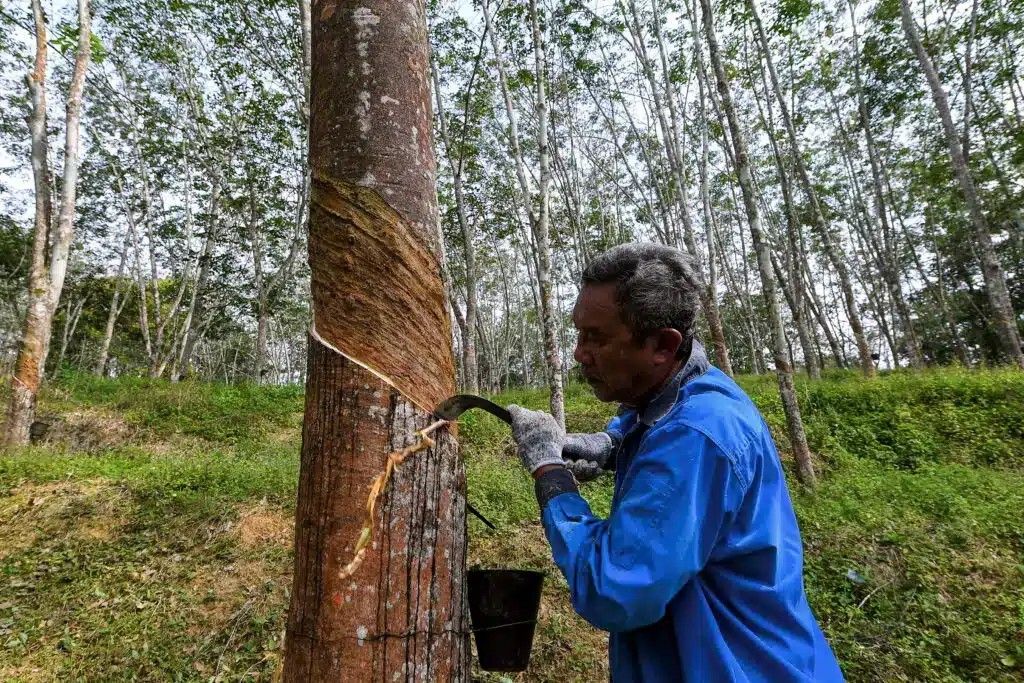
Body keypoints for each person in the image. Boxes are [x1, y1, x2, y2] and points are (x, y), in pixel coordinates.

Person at [506, 243, 843, 682]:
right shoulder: (684, 391)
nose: (579, 353)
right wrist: (611, 446)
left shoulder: (698, 433)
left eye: (596, 338)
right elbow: (646, 420)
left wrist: (550, 473)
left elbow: (614, 589)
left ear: (663, 345)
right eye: (579, 334)